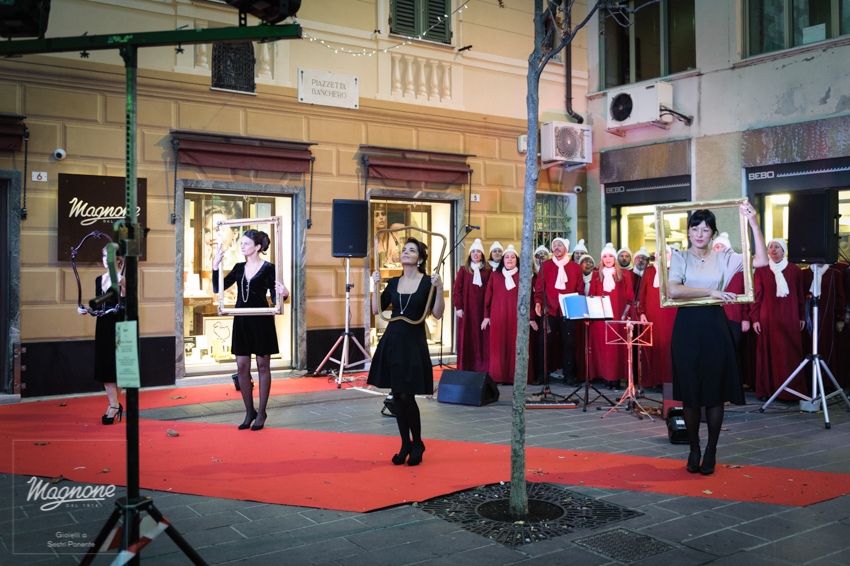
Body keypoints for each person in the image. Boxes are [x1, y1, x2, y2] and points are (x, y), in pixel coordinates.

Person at [667, 204, 768, 476]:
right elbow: (673, 290)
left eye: (705, 229)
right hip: (687, 326)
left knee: (714, 393)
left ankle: (711, 450)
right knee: (690, 394)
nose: (700, 234)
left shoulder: (725, 257)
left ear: (712, 233)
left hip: (715, 325)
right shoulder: (680, 257)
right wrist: (711, 291)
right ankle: (694, 448)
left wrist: (754, 223)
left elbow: (761, 261)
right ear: (688, 232)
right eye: (695, 228)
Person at [369, 238, 444, 466]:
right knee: (397, 395)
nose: (406, 252)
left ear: (420, 259)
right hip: (393, 339)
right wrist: (375, 285)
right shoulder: (393, 283)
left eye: (412, 250)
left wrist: (440, 288)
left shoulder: (428, 282)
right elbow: (376, 310)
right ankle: (405, 444)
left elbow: (437, 313)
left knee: (406, 395)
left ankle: (417, 443)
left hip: (413, 341)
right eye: (404, 250)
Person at [213, 229, 288, 431]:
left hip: (262, 321)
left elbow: (277, 298)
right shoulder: (239, 268)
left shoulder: (270, 268)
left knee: (263, 366)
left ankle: (261, 412)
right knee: (242, 367)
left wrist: (284, 293)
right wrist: (215, 265)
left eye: (246, 243)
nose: (242, 246)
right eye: (242, 243)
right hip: (242, 321)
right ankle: (249, 411)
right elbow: (218, 288)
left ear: (257, 247)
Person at [751, 238, 806, 402]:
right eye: (771, 247)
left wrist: (802, 316)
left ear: (784, 250)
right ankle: (768, 390)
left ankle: (791, 391)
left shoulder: (794, 270)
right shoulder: (762, 270)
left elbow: (800, 295)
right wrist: (755, 318)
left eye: (777, 247)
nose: (773, 250)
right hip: (768, 318)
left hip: (789, 316)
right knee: (768, 354)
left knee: (790, 353)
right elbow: (756, 296)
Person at [78, 246, 126, 425]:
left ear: (118, 259)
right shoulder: (99, 280)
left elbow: (128, 303)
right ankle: (115, 405)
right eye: (104, 255)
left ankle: (113, 406)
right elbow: (98, 304)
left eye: (110, 256)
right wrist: (86, 309)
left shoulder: (124, 279)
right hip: (104, 326)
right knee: (106, 367)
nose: (106, 259)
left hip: (122, 326)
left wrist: (123, 284)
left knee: (121, 368)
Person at [481, 245, 536, 384]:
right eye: (507, 257)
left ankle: (516, 376)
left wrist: (531, 317)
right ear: (503, 260)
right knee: (499, 347)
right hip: (498, 317)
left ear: (517, 260)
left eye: (512, 257)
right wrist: (486, 316)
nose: (509, 259)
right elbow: (488, 297)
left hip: (517, 317)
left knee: (516, 345)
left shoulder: (523, 276)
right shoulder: (495, 275)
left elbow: (529, 298)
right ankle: (499, 376)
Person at [534, 237, 584, 385]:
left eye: (559, 245)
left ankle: (569, 376)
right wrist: (538, 303)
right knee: (544, 344)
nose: (556, 248)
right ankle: (543, 375)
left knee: (569, 344)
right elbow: (539, 287)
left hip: (567, 311)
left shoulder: (575, 268)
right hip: (549, 310)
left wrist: (576, 308)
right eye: (554, 245)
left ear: (566, 248)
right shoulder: (546, 266)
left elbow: (579, 290)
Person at [589, 243, 635, 390]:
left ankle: (617, 377)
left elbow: (630, 296)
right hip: (601, 318)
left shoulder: (624, 274)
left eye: (610, 256)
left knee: (617, 348)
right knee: (604, 348)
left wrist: (627, 314)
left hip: (618, 317)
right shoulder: (596, 275)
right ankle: (605, 377)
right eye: (604, 256)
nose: (607, 259)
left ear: (614, 258)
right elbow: (592, 295)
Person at [638, 245, 677, 389]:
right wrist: (641, 312)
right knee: (653, 346)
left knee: (668, 346)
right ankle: (653, 380)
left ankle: (668, 381)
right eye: (659, 252)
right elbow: (642, 293)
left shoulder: (676, 270)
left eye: (665, 252)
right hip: (652, 315)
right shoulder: (649, 271)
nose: (662, 255)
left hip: (671, 314)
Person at [802, 263, 846, 382]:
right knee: (809, 347)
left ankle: (826, 382)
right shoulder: (804, 273)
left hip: (827, 318)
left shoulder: (834, 274)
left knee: (825, 346)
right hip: (809, 318)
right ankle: (810, 381)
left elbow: (840, 297)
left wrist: (840, 318)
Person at [452, 238, 491, 373]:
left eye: (478, 251)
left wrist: (488, 312)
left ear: (482, 254)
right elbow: (457, 290)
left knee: (482, 339)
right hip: (467, 311)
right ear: (470, 254)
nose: (476, 254)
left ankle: (482, 368)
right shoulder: (463, 270)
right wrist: (459, 307)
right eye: (473, 251)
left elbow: (491, 291)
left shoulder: (488, 271)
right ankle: (466, 368)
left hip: (482, 309)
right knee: (467, 338)